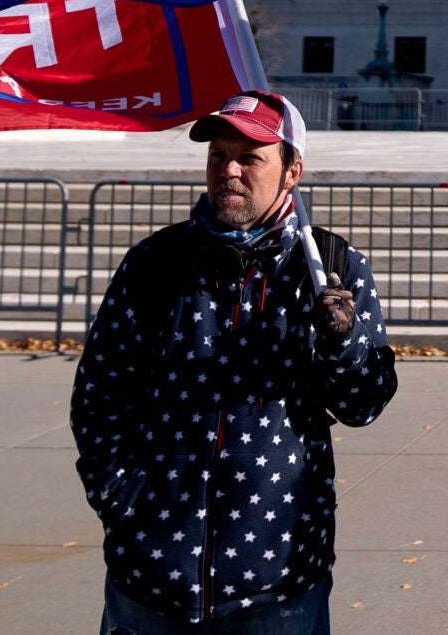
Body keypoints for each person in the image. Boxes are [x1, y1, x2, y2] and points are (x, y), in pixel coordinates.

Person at [72, 90, 397, 633]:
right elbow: (99, 397)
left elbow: (365, 404)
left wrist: (343, 342)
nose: (229, 170)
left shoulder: (332, 268)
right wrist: (122, 502)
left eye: (250, 158)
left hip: (279, 579)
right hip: (151, 580)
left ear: (292, 172)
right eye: (219, 156)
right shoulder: (154, 265)